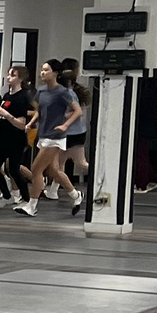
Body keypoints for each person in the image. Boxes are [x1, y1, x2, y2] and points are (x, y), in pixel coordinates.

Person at [18, 60, 82, 215]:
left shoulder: (63, 92)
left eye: (46, 70)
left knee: (36, 169)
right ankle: (76, 195)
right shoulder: (41, 91)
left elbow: (78, 111)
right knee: (54, 171)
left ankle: (32, 206)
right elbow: (40, 111)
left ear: (55, 73)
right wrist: (31, 124)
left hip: (56, 136)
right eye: (42, 69)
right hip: (43, 135)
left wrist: (65, 125)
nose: (42, 72)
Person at [0, 65, 35, 208]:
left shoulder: (23, 97)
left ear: (21, 78)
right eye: (9, 74)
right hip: (3, 138)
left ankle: (26, 198)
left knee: (14, 170)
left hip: (16, 139)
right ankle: (7, 195)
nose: (9, 77)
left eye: (13, 75)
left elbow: (21, 124)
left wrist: (6, 115)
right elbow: (6, 118)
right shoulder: (7, 96)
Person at [59, 60, 90, 214]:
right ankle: (55, 190)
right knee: (59, 164)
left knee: (81, 163)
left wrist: (62, 117)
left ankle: (103, 179)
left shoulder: (70, 94)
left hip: (75, 133)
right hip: (65, 133)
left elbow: (78, 111)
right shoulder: (61, 93)